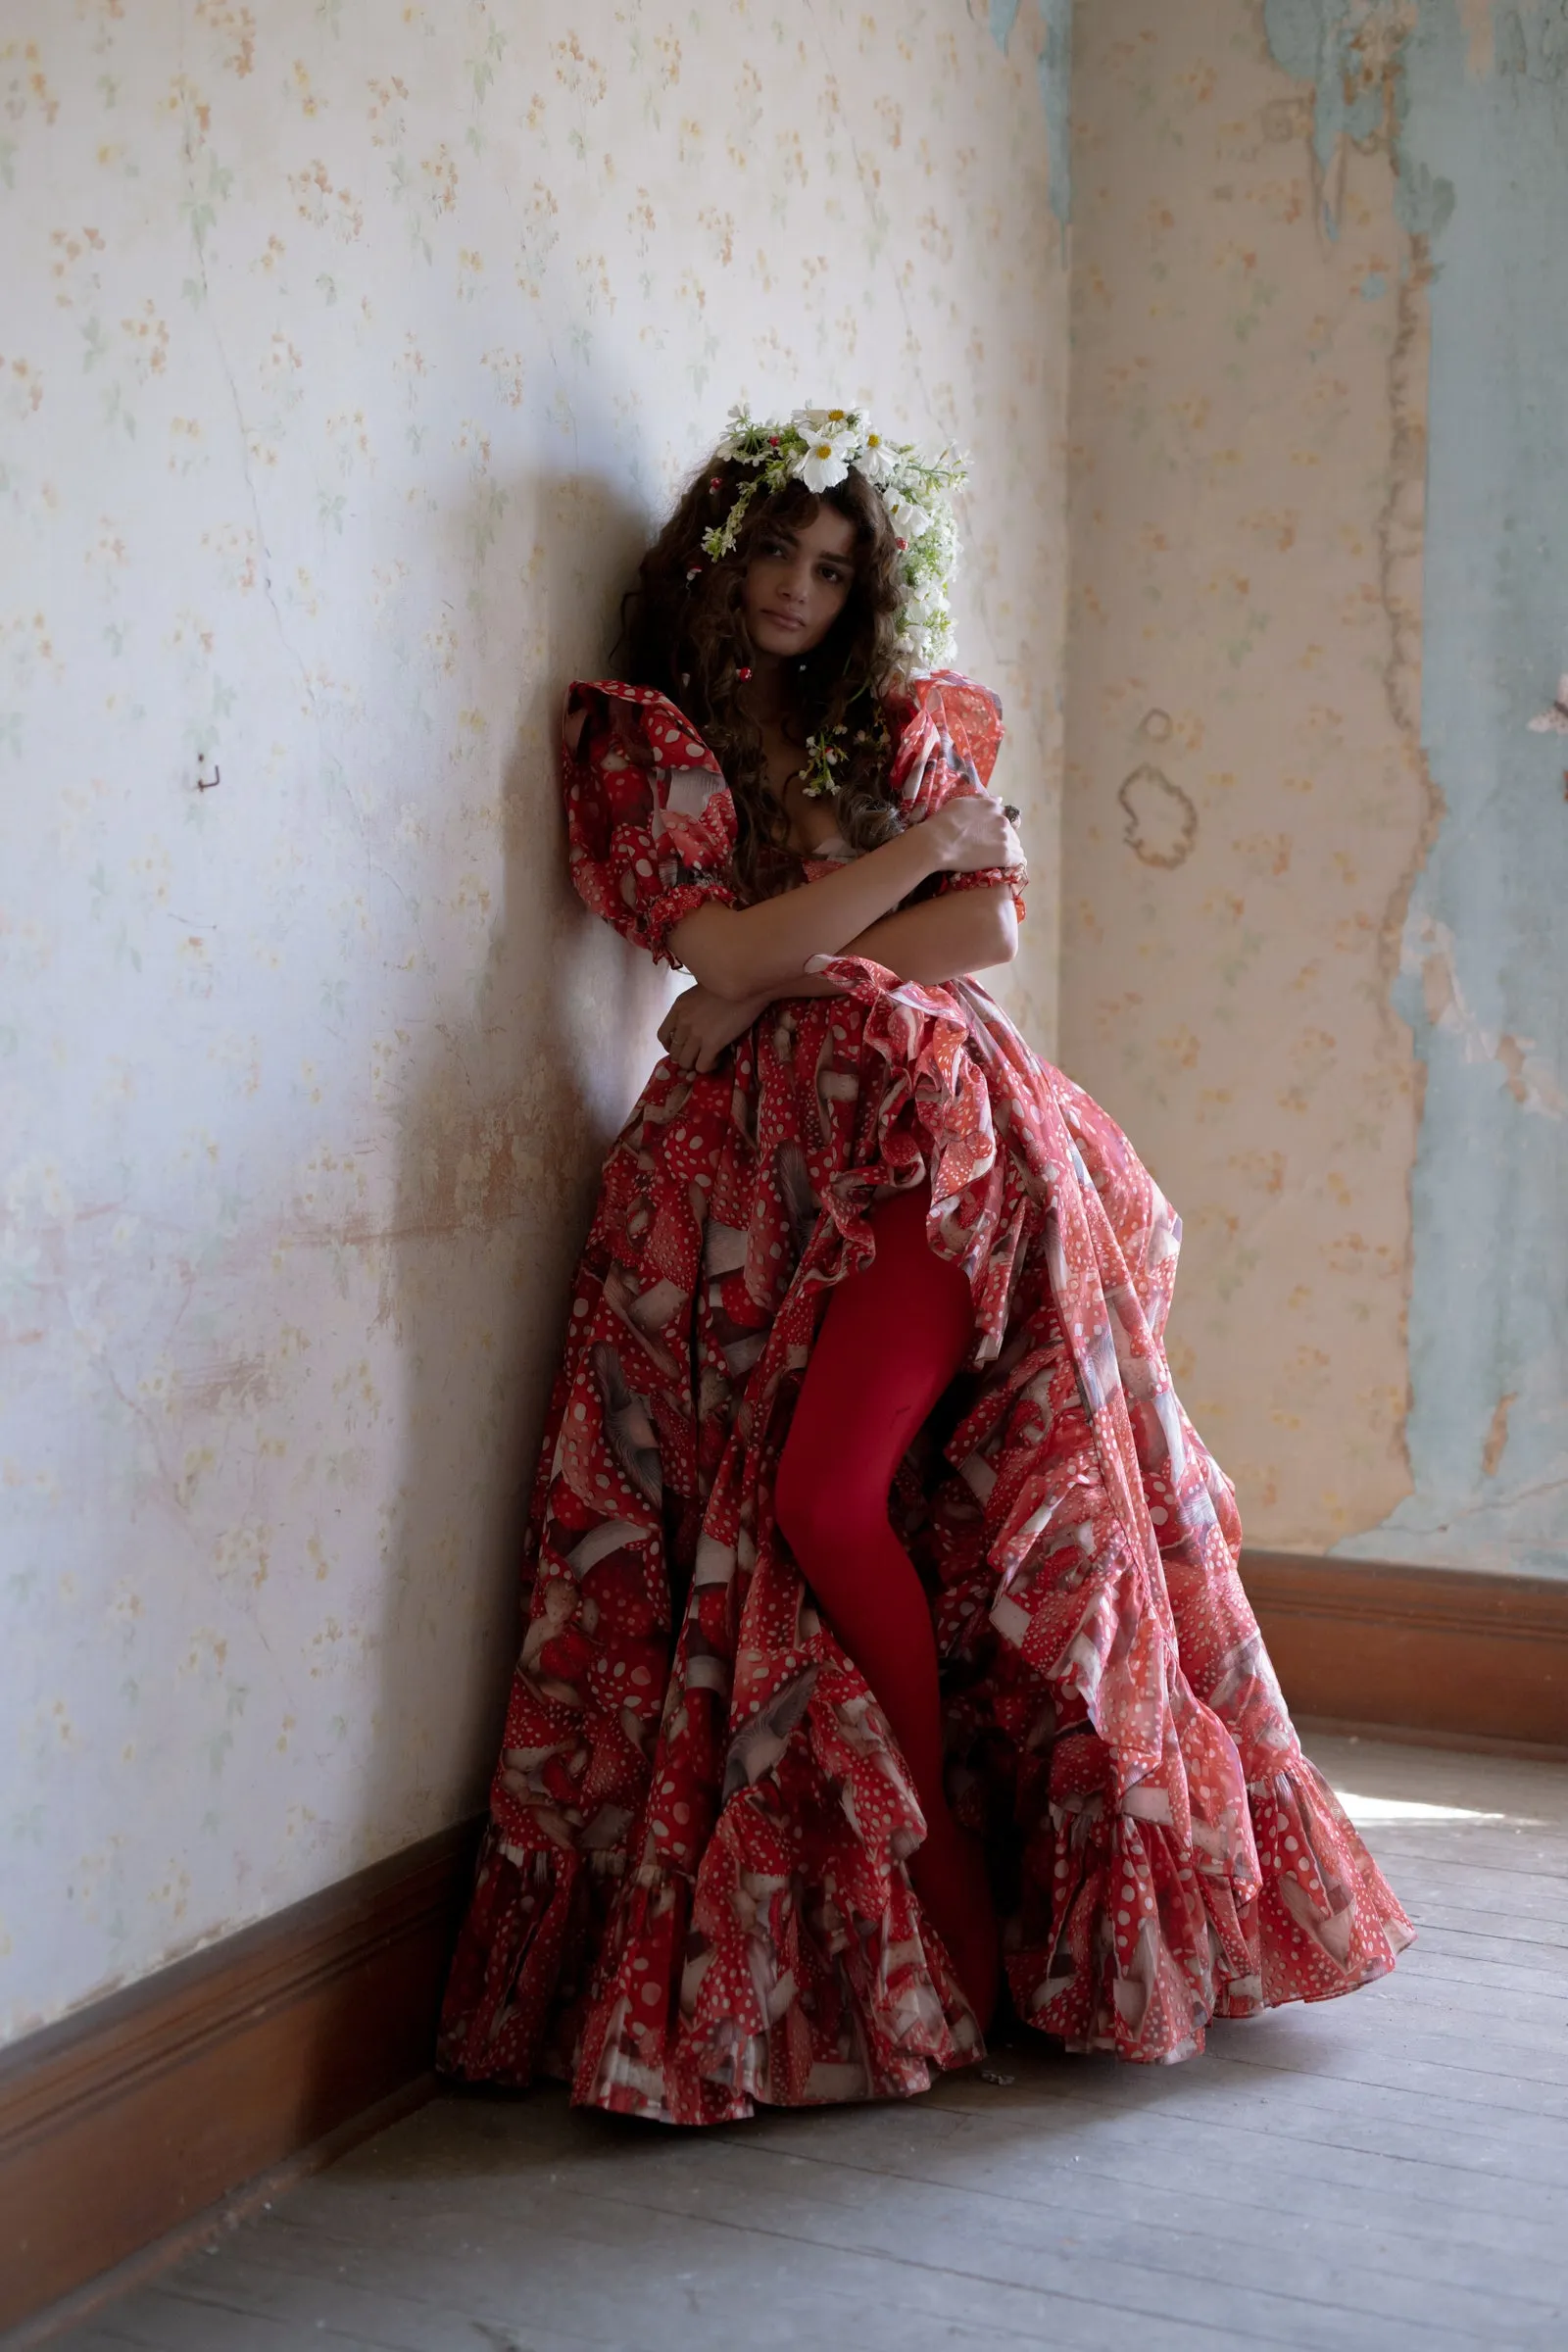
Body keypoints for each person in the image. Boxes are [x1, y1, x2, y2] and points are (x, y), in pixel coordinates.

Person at [439, 405, 1411, 2126]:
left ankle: (955, 1876)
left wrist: (778, 966)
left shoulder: (900, 728)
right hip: (738, 1189)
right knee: (797, 1521)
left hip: (937, 1146)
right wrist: (797, 935)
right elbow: (715, 936)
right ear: (714, 553)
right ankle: (932, 1892)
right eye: (780, 556)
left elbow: (984, 930)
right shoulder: (651, 742)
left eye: (837, 568)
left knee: (871, 1499)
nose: (806, 592)